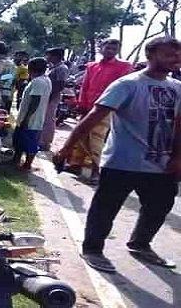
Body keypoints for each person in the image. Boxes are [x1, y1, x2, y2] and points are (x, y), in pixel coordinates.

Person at [55, 36, 181, 273]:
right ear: (151, 55)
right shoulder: (128, 84)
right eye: (170, 54)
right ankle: (92, 249)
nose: (177, 58)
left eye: (178, 54)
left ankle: (140, 244)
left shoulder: (177, 88)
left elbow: (179, 125)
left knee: (160, 206)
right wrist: (65, 148)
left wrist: (177, 157)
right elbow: (93, 117)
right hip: (123, 162)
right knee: (106, 208)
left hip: (160, 164)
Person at [64, 39, 133, 184]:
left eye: (114, 49)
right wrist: (81, 103)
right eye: (108, 48)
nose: (110, 51)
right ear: (101, 48)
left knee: (96, 138)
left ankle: (97, 171)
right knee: (81, 135)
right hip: (88, 106)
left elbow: (124, 88)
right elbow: (85, 86)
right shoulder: (92, 66)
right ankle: (76, 165)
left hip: (106, 108)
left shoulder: (124, 66)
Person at [13, 58, 52, 170]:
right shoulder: (45, 80)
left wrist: (27, 118)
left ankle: (27, 164)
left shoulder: (38, 82)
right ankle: (17, 160)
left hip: (31, 119)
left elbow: (35, 101)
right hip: (34, 117)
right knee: (20, 139)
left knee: (30, 142)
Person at [40, 47, 69, 150]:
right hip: (47, 95)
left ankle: (46, 143)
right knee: (43, 119)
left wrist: (50, 96)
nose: (47, 57)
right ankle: (41, 141)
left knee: (49, 120)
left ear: (55, 56)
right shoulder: (52, 67)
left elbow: (60, 85)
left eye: (49, 55)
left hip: (53, 96)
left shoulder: (62, 68)